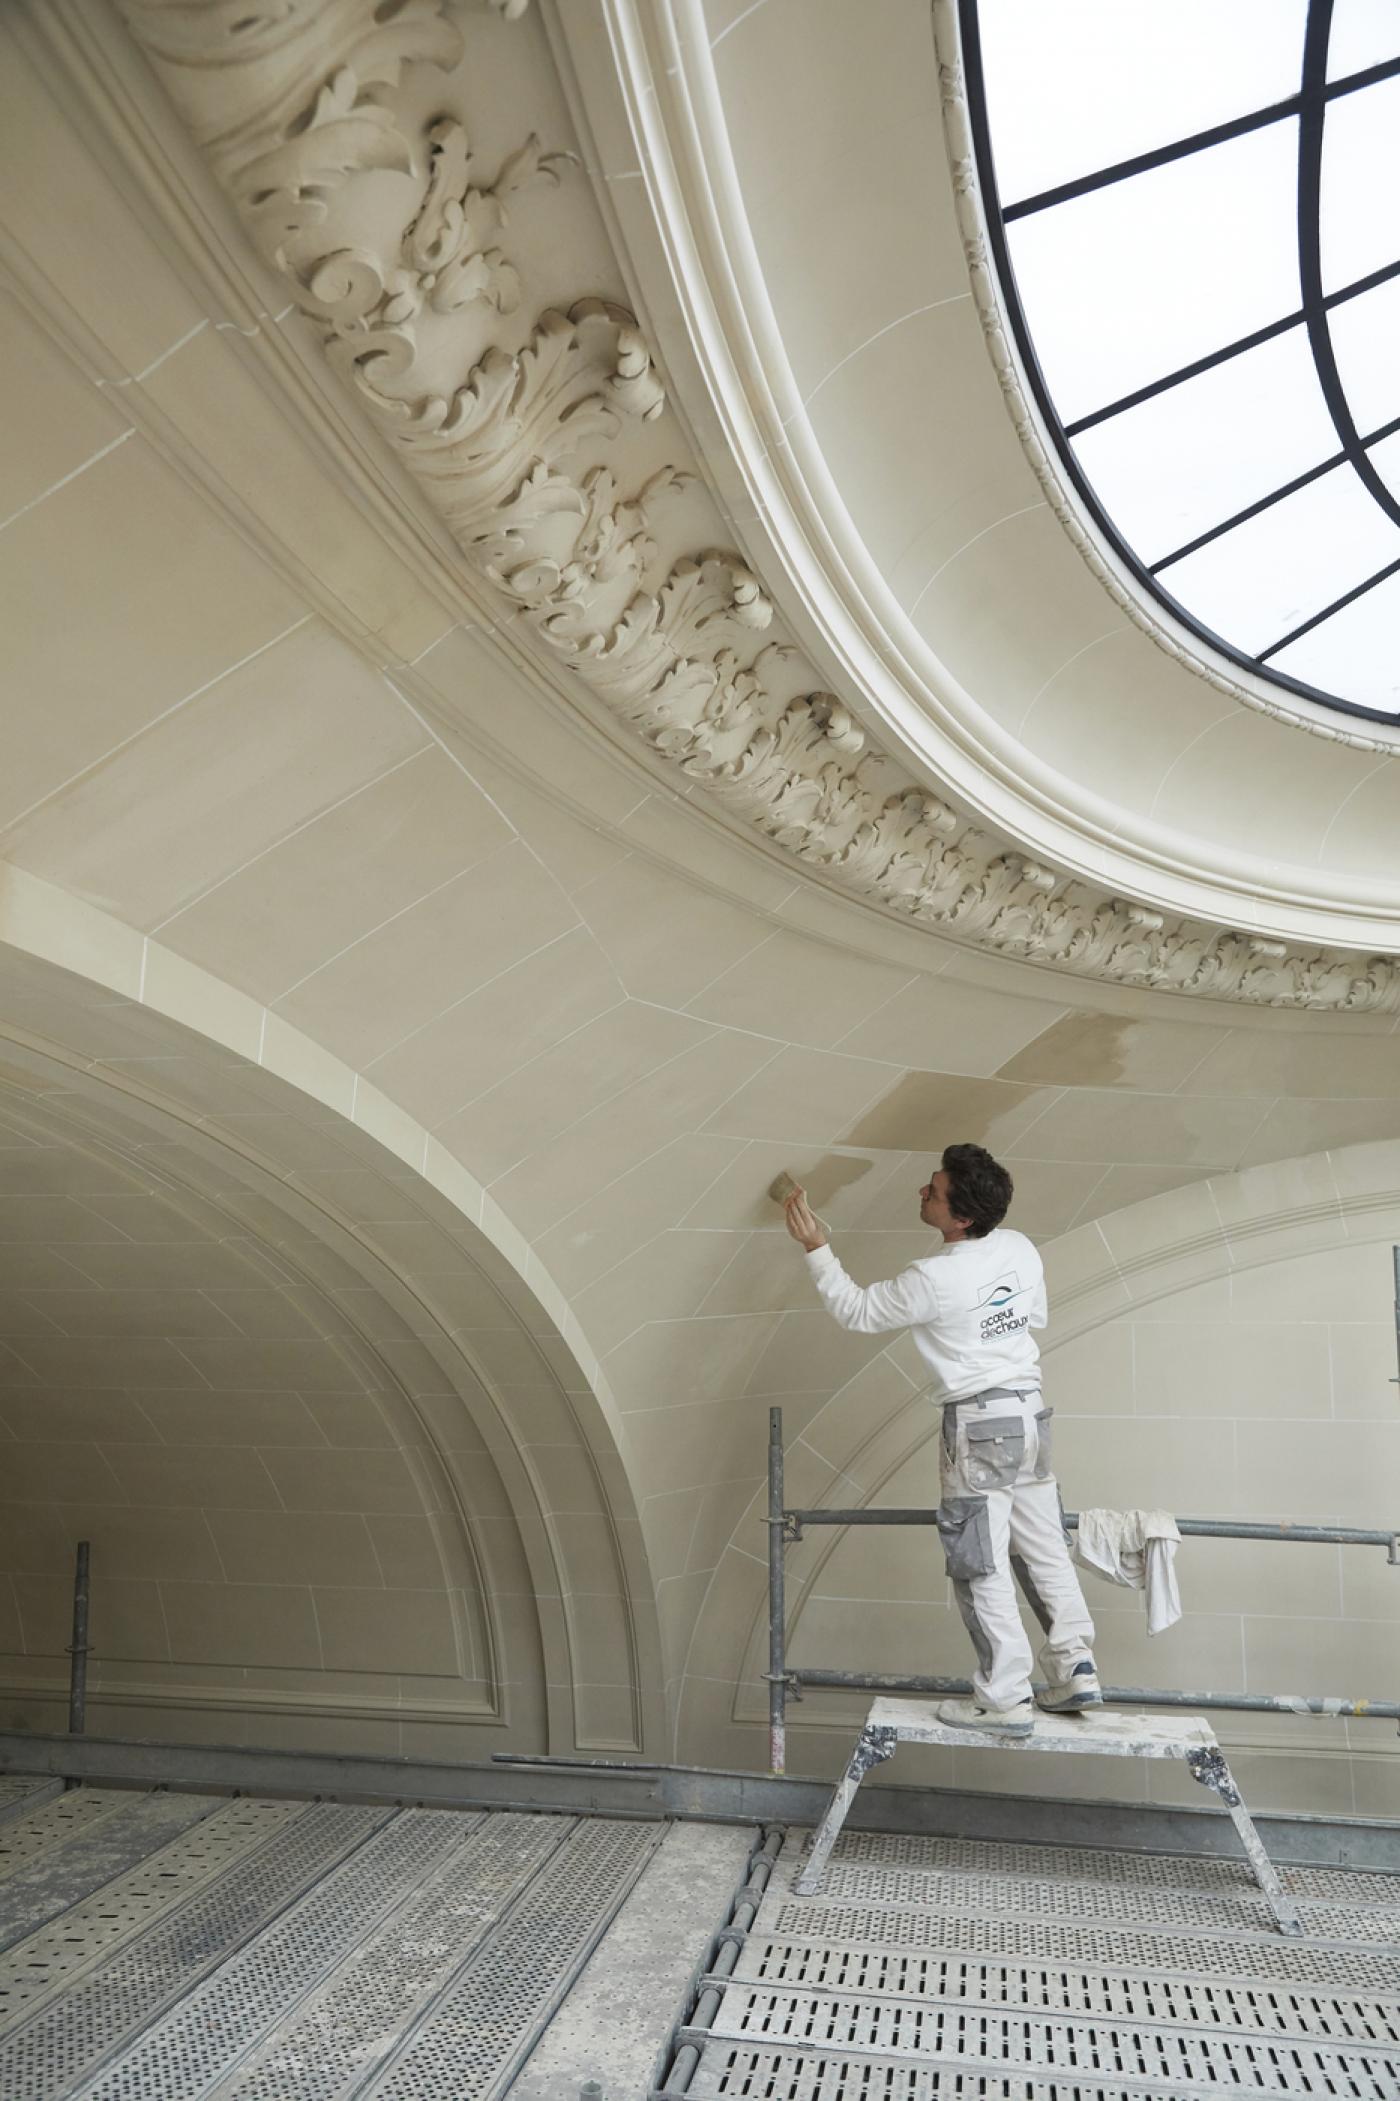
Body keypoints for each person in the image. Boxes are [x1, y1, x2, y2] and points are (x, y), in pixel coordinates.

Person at [783, 1142, 1098, 1738]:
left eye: (933, 1190)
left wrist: (815, 1246)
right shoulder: (1020, 1248)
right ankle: (1075, 1666)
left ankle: (1003, 1698)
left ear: (961, 1217)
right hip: (1030, 1418)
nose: (921, 1193)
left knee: (979, 1560)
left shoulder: (933, 1278)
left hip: (979, 1426)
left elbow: (856, 1311)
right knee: (1043, 1546)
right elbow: (1029, 1318)